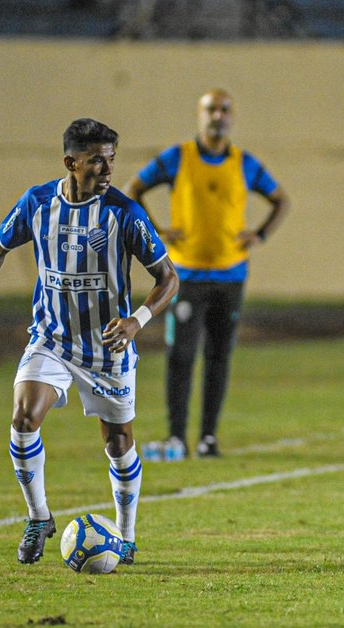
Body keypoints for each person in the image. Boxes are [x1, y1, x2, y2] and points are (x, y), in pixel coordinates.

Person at [0, 118, 179, 566]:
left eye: (111, 158)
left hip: (107, 349)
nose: (107, 169)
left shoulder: (124, 213)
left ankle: (126, 537)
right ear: (70, 162)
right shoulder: (37, 204)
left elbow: (169, 278)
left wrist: (136, 320)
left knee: (117, 443)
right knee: (23, 417)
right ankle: (39, 517)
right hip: (51, 339)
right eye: (96, 160)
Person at [123, 88, 289, 459]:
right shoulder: (177, 158)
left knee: (219, 356)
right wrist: (156, 230)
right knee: (180, 355)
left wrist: (259, 234)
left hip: (231, 275)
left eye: (225, 109)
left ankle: (208, 438)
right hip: (186, 275)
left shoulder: (245, 163)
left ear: (232, 116)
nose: (218, 116)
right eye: (211, 109)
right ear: (200, 115)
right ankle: (178, 437)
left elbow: (281, 199)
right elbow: (133, 188)